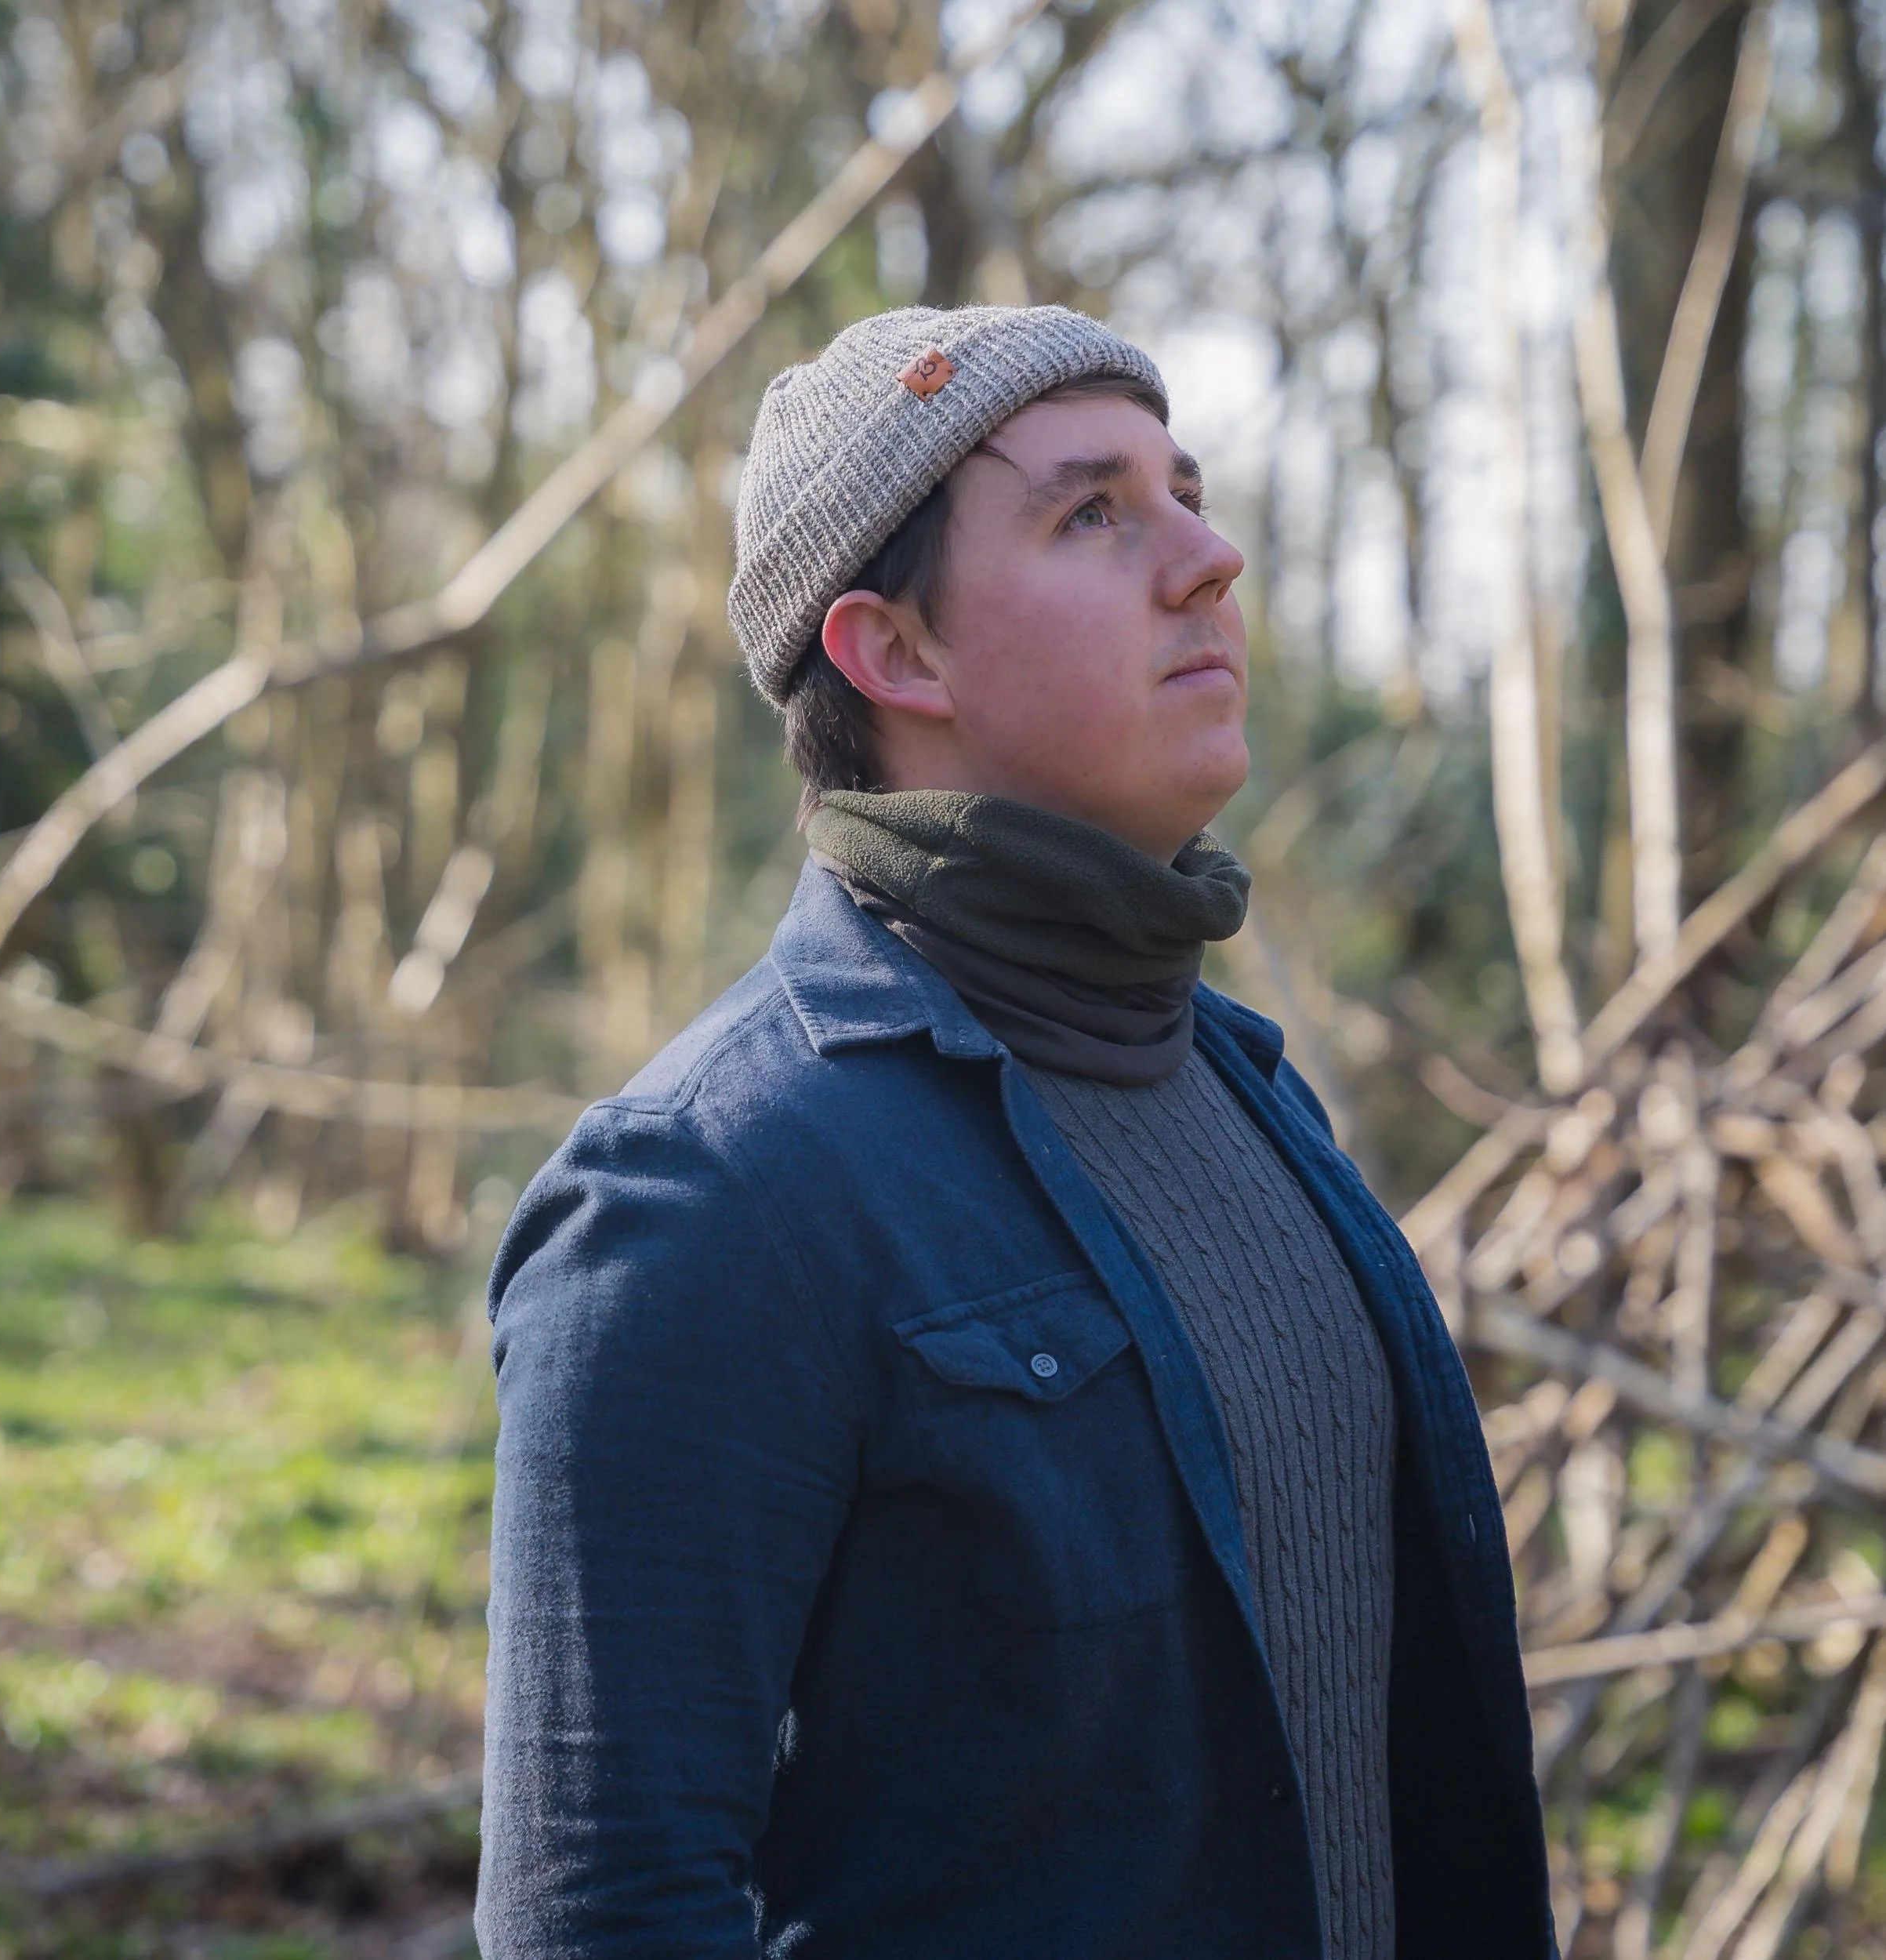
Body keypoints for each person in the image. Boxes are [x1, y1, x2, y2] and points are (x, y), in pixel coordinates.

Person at [477, 304, 1552, 1958]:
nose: (1210, 558)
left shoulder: (1250, 1098)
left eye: (1182, 491)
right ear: (894, 654)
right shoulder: (706, 1195)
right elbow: (599, 1911)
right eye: (1092, 511)